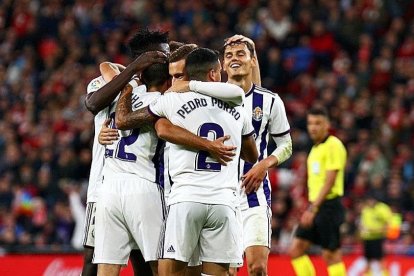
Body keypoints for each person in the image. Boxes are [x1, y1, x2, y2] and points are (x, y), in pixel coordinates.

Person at [115, 47, 258, 276]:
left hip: (185, 201)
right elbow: (252, 155)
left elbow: (124, 121)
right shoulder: (238, 106)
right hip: (224, 203)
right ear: (213, 74)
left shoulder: (172, 101)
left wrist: (128, 86)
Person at [82, 31, 166, 275]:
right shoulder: (149, 95)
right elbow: (92, 103)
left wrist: (131, 76)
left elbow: (107, 66)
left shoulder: (140, 90)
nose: (167, 56)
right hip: (105, 183)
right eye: (163, 52)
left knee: (139, 263)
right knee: (92, 262)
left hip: (118, 184)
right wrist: (132, 72)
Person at [222, 35, 292, 276]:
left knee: (258, 268)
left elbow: (286, 145)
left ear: (253, 61)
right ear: (221, 65)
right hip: (219, 193)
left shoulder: (270, 101)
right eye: (229, 56)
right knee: (228, 271)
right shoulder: (211, 98)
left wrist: (264, 164)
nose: (234, 59)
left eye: (241, 54)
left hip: (254, 194)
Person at [288, 106, 347, 276]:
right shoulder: (315, 149)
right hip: (316, 205)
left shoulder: (333, 145)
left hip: (328, 205)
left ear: (327, 125)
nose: (313, 127)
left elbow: (330, 181)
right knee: (296, 249)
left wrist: (313, 209)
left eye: (318, 123)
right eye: (310, 123)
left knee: (331, 254)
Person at [360, 192, 392, 276]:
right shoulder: (366, 210)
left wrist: (374, 230)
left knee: (381, 259)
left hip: (378, 238)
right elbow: (362, 224)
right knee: (368, 260)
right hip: (367, 239)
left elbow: (389, 224)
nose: (369, 202)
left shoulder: (382, 208)